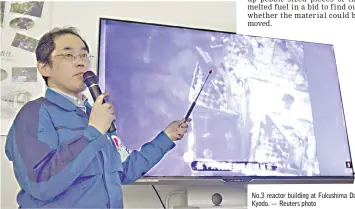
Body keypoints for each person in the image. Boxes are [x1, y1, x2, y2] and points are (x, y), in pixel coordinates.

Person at [4, 27, 191, 209]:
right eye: (68, 55)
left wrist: (167, 137)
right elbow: (41, 185)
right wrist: (94, 131)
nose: (80, 62)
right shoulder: (34, 114)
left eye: (84, 55)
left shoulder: (93, 115)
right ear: (44, 67)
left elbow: (123, 171)